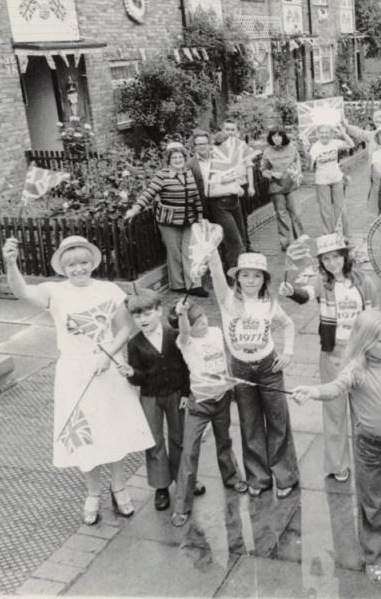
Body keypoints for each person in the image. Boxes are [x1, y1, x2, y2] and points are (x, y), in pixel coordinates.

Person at [1, 235, 154, 526]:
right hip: (74, 370)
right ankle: (93, 491)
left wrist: (108, 355)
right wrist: (11, 264)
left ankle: (118, 485)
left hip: (108, 367)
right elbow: (21, 292)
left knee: (114, 428)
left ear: (92, 263)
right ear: (62, 267)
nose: (79, 269)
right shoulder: (53, 292)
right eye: (72, 264)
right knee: (84, 433)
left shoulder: (109, 290)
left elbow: (124, 328)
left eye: (84, 262)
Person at [291, 310, 381, 584]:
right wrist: (313, 391)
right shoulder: (355, 369)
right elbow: (335, 388)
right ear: (365, 341)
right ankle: (373, 555)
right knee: (370, 502)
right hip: (368, 446)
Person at [278, 232, 378, 483]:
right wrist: (289, 288)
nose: (332, 263)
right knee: (334, 411)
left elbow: (375, 319)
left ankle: (366, 461)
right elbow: (303, 296)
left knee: (363, 412)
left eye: (336, 257)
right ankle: (338, 464)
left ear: (345, 257)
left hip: (360, 353)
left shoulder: (364, 282)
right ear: (321, 263)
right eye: (326, 259)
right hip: (333, 353)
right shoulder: (322, 283)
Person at [208, 249, 300, 499]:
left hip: (269, 367)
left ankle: (285, 475)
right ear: (237, 278)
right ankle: (258, 477)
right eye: (245, 275)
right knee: (250, 423)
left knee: (278, 420)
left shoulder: (269, 303)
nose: (250, 280)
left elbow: (288, 324)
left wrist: (288, 353)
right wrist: (211, 250)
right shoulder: (228, 300)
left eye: (256, 276)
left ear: (264, 280)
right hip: (240, 368)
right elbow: (216, 273)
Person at [170, 299, 249, 527]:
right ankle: (182, 505)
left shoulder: (215, 332)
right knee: (190, 451)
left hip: (221, 398)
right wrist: (183, 315)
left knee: (224, 440)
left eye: (203, 317)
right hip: (200, 404)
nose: (203, 323)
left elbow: (225, 359)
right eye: (196, 322)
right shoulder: (184, 342)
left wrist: (231, 387)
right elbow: (184, 331)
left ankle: (231, 476)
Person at [122, 290, 199, 512]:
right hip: (150, 396)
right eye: (137, 316)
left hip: (176, 394)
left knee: (180, 437)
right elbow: (140, 377)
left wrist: (186, 393)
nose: (143, 320)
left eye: (147, 313)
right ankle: (161, 486)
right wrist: (130, 372)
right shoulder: (135, 344)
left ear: (159, 311)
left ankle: (184, 479)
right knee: (154, 440)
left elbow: (186, 366)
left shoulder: (174, 334)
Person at [124, 141, 207, 297]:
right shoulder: (162, 175)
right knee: (174, 252)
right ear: (168, 160)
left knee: (191, 251)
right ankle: (178, 284)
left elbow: (196, 196)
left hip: (189, 219)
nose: (178, 160)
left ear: (184, 157)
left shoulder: (188, 173)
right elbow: (148, 194)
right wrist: (135, 209)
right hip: (169, 221)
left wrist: (200, 215)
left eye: (180, 157)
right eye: (174, 157)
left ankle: (194, 285)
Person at [186, 130, 246, 273]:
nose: (202, 147)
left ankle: (230, 272)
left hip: (233, 201)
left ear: (210, 144)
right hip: (217, 205)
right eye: (198, 144)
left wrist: (237, 186)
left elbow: (235, 175)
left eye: (205, 143)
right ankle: (235, 277)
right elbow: (192, 191)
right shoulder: (190, 165)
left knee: (240, 238)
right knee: (234, 242)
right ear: (193, 146)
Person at [259, 125, 306, 251]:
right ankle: (286, 243)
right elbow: (263, 170)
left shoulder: (291, 148)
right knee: (281, 215)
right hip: (276, 187)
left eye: (279, 135)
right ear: (271, 138)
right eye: (274, 136)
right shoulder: (268, 152)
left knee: (296, 214)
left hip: (291, 186)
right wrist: (273, 174)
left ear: (283, 136)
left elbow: (297, 161)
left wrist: (298, 173)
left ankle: (300, 241)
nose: (276, 138)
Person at [308, 123, 356, 234]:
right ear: (318, 134)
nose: (324, 135)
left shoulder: (335, 143)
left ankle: (343, 235)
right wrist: (311, 160)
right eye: (322, 133)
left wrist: (342, 132)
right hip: (322, 181)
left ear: (330, 134)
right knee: (325, 211)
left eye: (327, 132)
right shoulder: (315, 147)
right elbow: (310, 168)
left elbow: (351, 144)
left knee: (340, 209)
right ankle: (329, 235)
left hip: (337, 179)